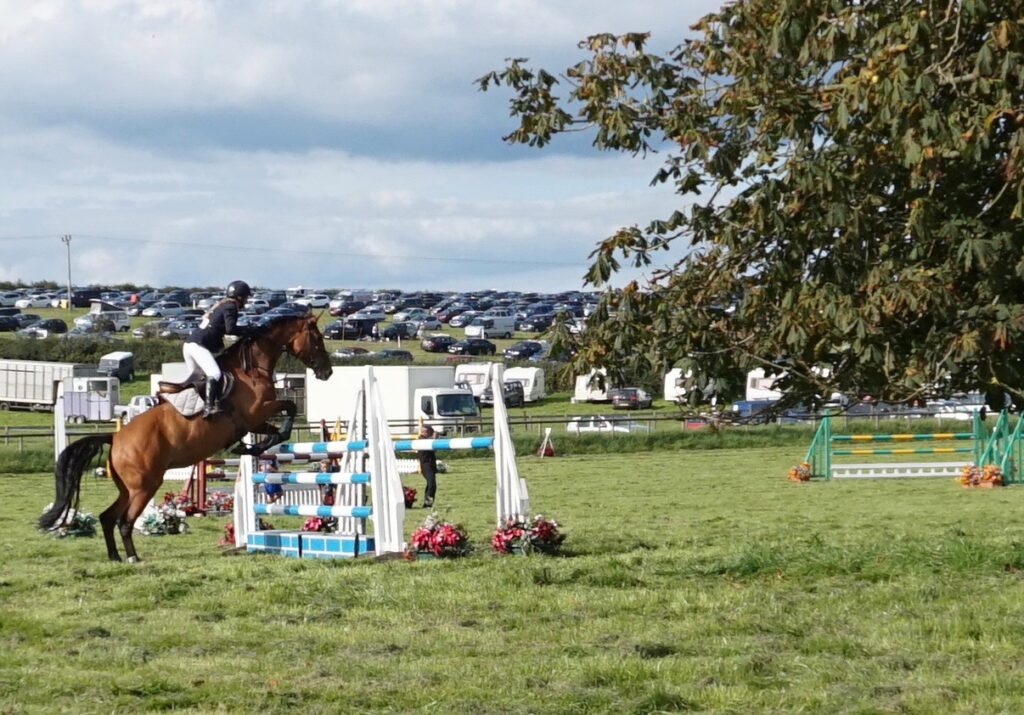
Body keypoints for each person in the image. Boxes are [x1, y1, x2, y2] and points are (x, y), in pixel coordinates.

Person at [182, 280, 253, 418]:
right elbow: (230, 329)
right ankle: (209, 407)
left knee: (199, 382)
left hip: (189, 345)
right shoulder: (231, 307)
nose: (246, 300)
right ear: (239, 297)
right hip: (198, 346)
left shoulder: (223, 305)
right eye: (246, 297)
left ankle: (194, 409)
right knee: (214, 374)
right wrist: (247, 329)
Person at [416, 424, 437, 509]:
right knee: (432, 484)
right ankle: (428, 503)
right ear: (426, 432)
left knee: (430, 484)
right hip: (426, 465)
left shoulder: (426, 439)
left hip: (430, 464)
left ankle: (427, 503)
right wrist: (434, 438)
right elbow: (432, 446)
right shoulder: (421, 440)